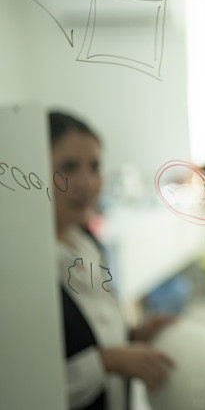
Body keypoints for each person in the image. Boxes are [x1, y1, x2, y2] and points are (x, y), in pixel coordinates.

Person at [51, 111, 175, 410]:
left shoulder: (87, 243)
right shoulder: (22, 266)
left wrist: (133, 336)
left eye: (94, 167)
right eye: (68, 167)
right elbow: (27, 386)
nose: (87, 182)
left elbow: (91, 333)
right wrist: (108, 361)